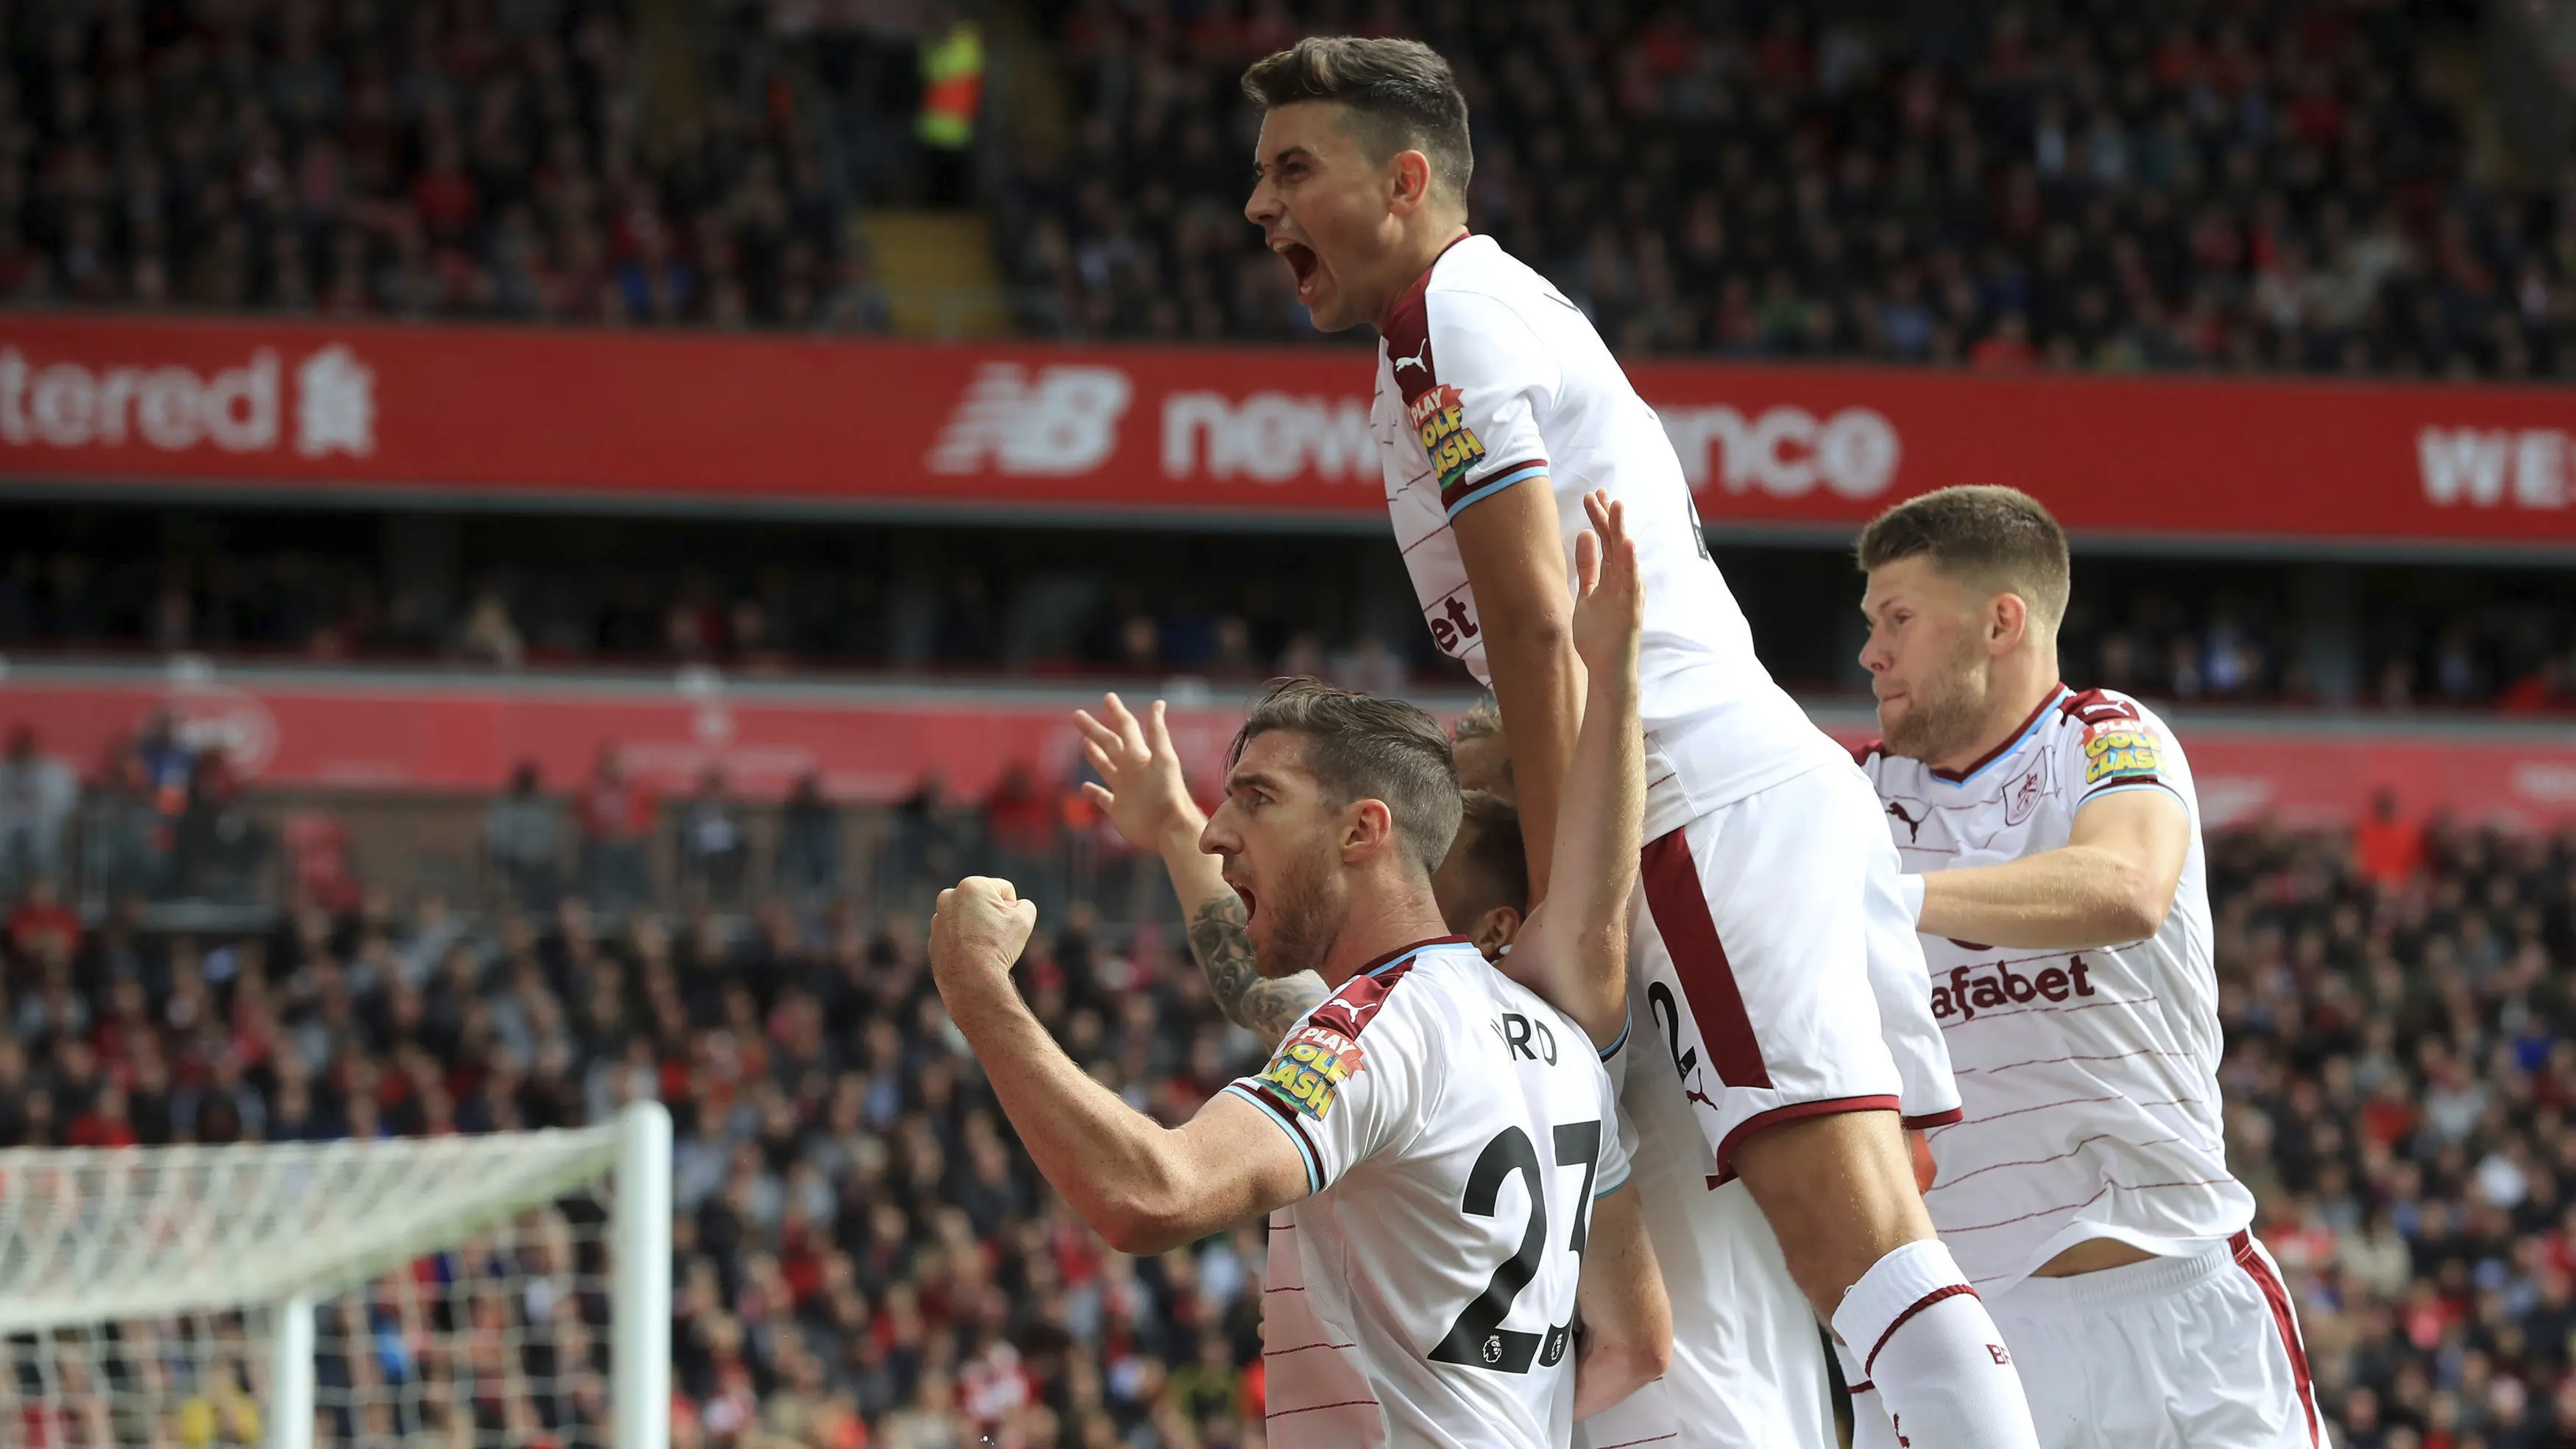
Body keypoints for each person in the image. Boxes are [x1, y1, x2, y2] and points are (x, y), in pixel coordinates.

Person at [1237, 35, 2025, 1449]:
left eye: (1295, 169)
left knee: (1856, 1242)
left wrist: (1567, 901)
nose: (1261, 206)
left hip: (1690, 804)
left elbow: (1542, 630)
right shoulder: (1479, 317)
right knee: (1827, 1272)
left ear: (1406, 178)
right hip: (1757, 788)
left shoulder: (1442, 324)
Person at [935, 502, 1669, 1446]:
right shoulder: (1558, 1045)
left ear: (1365, 831)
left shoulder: (1375, 1030)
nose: (1216, 828)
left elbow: (1152, 1193)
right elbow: (1640, 1341)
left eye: (1256, 799)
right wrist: (1167, 829)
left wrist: (976, 989)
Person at [1853, 486, 2325, 1448]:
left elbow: (2126, 886)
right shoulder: (1857, 797)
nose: (1872, 652)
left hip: (2180, 1304)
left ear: (2000, 622)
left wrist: (1892, 900)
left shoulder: (2107, 737)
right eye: (1870, 624)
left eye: (1898, 619)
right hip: (1973, 1333)